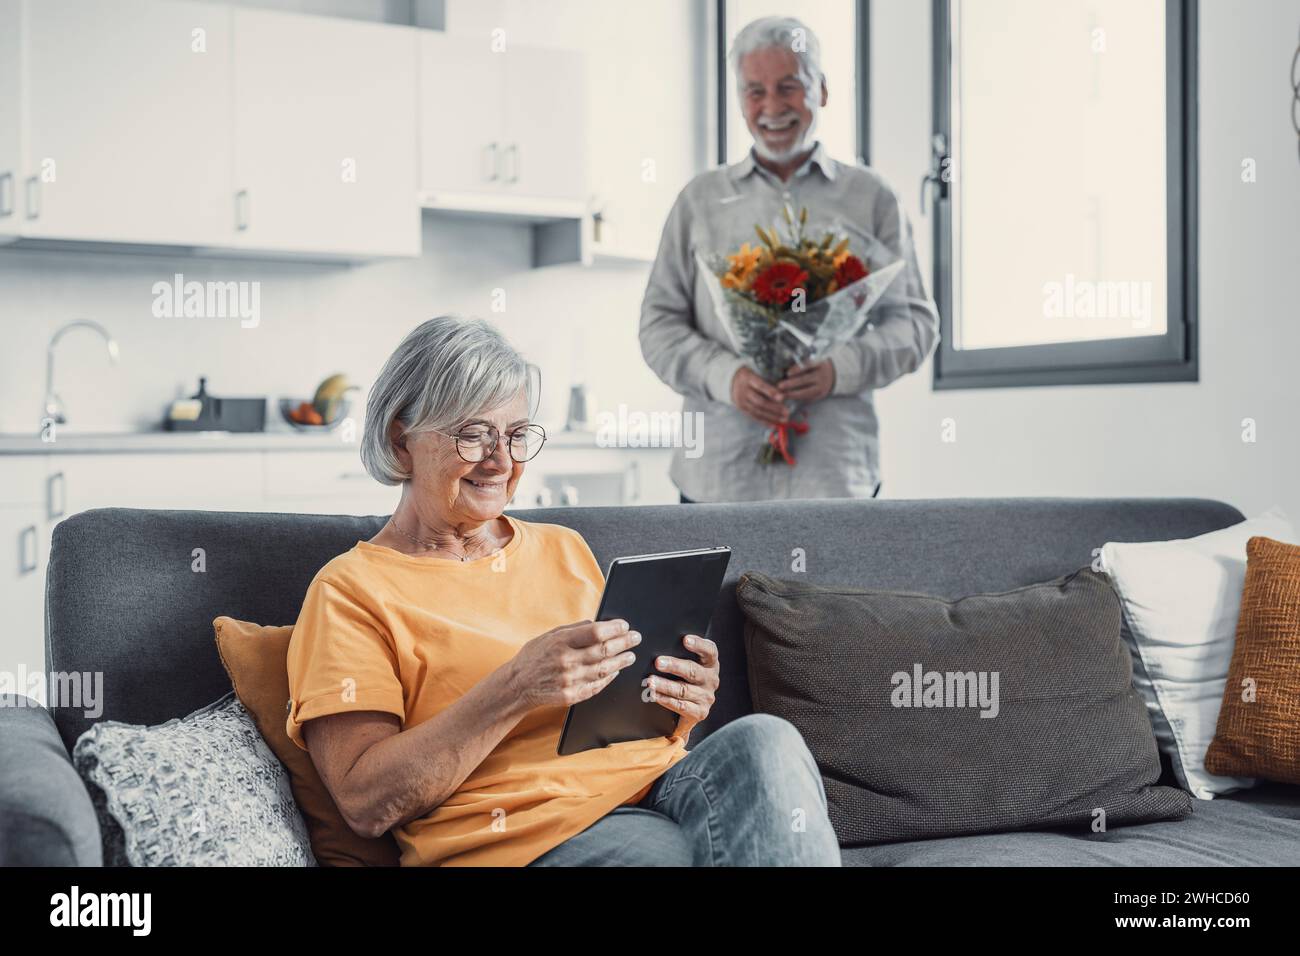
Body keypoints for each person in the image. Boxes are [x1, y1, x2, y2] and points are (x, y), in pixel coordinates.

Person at [285, 314, 841, 866]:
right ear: (400, 442)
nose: (501, 461)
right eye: (474, 435)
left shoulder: (562, 548)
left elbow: (620, 716)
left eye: (516, 435)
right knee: (665, 853)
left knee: (768, 742)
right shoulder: (350, 592)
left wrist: (682, 698)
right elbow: (364, 802)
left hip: (657, 793)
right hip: (520, 840)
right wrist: (516, 687)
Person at [640, 15, 939, 504]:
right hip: (717, 479)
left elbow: (916, 325)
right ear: (740, 100)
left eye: (789, 87)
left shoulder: (873, 197)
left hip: (836, 477)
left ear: (821, 90)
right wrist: (726, 376)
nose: (772, 106)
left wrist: (841, 368)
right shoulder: (699, 200)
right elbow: (657, 325)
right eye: (754, 91)